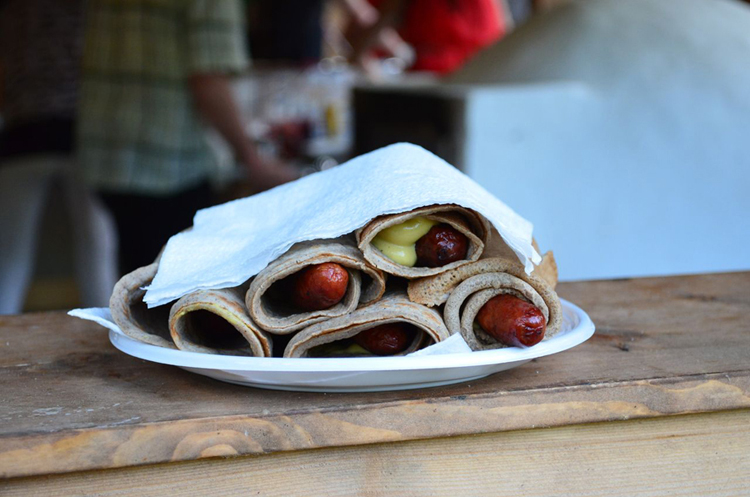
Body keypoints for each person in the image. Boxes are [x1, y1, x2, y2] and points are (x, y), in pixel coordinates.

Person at [77, 0, 299, 276]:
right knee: (171, 293)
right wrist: (251, 157)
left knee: (139, 283)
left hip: (106, 153)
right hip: (165, 164)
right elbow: (208, 81)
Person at [0, 0, 118, 314]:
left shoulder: (13, 10)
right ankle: (108, 325)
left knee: (10, 253)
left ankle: (108, 326)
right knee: (96, 243)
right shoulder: (98, 10)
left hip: (24, 133)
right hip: (77, 131)